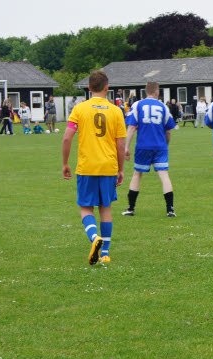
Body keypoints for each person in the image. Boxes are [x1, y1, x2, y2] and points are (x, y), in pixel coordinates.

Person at [61, 70, 126, 265]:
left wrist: (65, 163)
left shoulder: (79, 109)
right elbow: (121, 145)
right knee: (105, 208)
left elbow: (67, 138)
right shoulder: (116, 111)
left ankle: (94, 237)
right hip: (108, 166)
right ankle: (105, 252)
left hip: (87, 166)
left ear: (89, 88)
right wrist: (120, 169)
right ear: (107, 88)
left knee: (86, 207)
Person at [122, 81, 177, 218]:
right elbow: (168, 130)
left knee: (137, 174)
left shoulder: (138, 105)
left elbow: (131, 127)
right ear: (157, 91)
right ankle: (170, 209)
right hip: (160, 146)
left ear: (146, 91)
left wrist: (126, 147)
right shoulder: (163, 107)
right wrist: (166, 145)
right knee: (164, 175)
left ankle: (131, 208)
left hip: (143, 146)